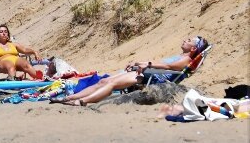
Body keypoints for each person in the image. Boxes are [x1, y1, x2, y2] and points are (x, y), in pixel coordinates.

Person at [52, 36, 209, 106]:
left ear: (193, 48)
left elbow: (168, 67)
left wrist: (146, 65)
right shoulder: (180, 56)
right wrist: (139, 63)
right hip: (148, 73)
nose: (185, 40)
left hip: (153, 78)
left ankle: (82, 102)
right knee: (104, 81)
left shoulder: (186, 60)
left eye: (189, 41)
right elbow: (161, 64)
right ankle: (71, 98)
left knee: (111, 83)